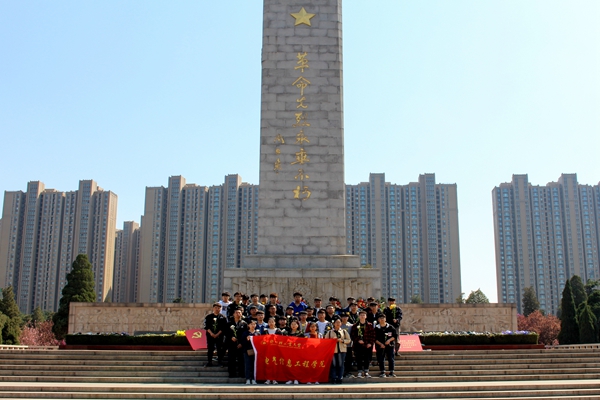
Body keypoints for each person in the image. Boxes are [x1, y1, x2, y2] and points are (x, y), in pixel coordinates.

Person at [324, 319, 352, 384]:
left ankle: (340, 378)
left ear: (341, 323)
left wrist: (342, 340)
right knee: (333, 365)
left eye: (339, 322)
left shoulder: (344, 331)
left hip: (342, 350)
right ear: (334, 323)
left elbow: (349, 340)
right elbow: (325, 341)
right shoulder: (330, 332)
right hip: (333, 350)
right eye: (336, 322)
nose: (338, 324)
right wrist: (332, 340)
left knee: (341, 364)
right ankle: (333, 378)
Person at [350, 310, 375, 378]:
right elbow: (353, 335)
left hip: (367, 345)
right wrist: (358, 340)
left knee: (367, 359)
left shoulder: (369, 325)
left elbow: (373, 335)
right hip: (358, 345)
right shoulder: (355, 325)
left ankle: (366, 372)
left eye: (364, 315)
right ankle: (359, 372)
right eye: (361, 315)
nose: (362, 316)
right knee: (359, 359)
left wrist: (370, 343)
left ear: (366, 316)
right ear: (359, 316)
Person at [202, 302, 227, 367]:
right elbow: (206, 326)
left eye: (219, 308)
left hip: (219, 336)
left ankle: (220, 362)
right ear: (213, 308)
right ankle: (209, 362)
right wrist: (211, 333)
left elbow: (224, 327)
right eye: (216, 308)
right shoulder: (208, 317)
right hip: (210, 335)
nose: (217, 309)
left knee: (219, 349)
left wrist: (217, 334)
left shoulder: (223, 317)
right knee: (210, 348)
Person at [226, 308, 248, 378]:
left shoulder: (244, 324)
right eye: (236, 313)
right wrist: (231, 337)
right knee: (231, 359)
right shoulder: (229, 323)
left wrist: (242, 343)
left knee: (241, 359)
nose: (238, 314)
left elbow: (246, 334)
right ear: (233, 314)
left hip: (241, 344)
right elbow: (226, 333)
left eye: (239, 313)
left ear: (241, 314)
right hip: (232, 344)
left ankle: (242, 373)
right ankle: (232, 374)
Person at [374, 314, 397, 378]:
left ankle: (391, 372)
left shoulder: (391, 327)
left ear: (385, 319)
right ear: (378, 320)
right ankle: (382, 372)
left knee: (391, 358)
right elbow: (374, 338)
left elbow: (395, 336)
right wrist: (380, 344)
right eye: (380, 318)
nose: (382, 319)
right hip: (380, 346)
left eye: (383, 318)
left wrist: (389, 340)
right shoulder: (376, 328)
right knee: (381, 359)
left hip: (390, 346)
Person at [241, 320, 259, 385]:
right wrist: (247, 339)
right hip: (247, 351)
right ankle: (248, 379)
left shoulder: (257, 333)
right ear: (248, 325)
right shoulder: (245, 333)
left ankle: (254, 379)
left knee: (254, 365)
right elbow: (242, 342)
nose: (253, 325)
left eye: (254, 324)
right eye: (251, 324)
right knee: (248, 365)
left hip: (256, 351)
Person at [340, 312, 355, 378]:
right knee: (341, 359)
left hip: (349, 345)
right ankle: (341, 372)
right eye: (343, 317)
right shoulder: (339, 325)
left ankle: (348, 372)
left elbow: (353, 335)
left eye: (346, 317)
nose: (344, 318)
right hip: (340, 345)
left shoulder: (351, 326)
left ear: (348, 318)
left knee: (349, 359)